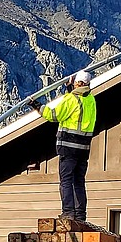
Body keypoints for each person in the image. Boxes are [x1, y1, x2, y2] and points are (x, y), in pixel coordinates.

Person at [28, 70, 96, 222]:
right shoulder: (91, 100)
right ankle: (80, 215)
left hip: (68, 147)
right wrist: (70, 89)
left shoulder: (71, 99)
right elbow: (78, 106)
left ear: (77, 83)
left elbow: (53, 115)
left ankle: (68, 213)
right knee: (79, 182)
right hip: (83, 149)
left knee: (66, 181)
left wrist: (36, 105)